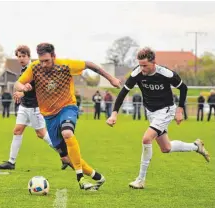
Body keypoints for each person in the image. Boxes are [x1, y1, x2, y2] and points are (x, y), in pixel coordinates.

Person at [15, 43, 121, 190]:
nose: (44, 64)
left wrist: (111, 79)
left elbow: (89, 65)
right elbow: (17, 83)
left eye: (47, 60)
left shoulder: (65, 65)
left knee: (67, 132)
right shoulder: (35, 67)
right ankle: (97, 176)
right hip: (49, 116)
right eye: (41, 61)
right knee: (65, 157)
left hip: (67, 107)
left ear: (54, 56)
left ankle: (80, 178)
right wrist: (23, 88)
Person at [106, 47, 210, 189]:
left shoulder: (165, 73)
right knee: (166, 148)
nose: (142, 68)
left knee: (146, 138)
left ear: (154, 62)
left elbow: (183, 88)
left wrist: (179, 110)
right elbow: (123, 92)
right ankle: (196, 146)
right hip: (151, 112)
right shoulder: (137, 73)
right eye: (140, 65)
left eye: (145, 65)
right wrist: (114, 113)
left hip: (166, 110)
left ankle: (140, 180)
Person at [0, 45, 72, 171]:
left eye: (23, 56)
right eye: (19, 56)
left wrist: (23, 93)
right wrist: (21, 92)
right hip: (24, 106)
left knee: (41, 134)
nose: (21, 59)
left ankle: (64, 154)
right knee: (17, 131)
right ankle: (11, 162)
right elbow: (23, 86)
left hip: (34, 107)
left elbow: (39, 88)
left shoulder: (35, 69)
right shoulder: (23, 71)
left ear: (28, 56)